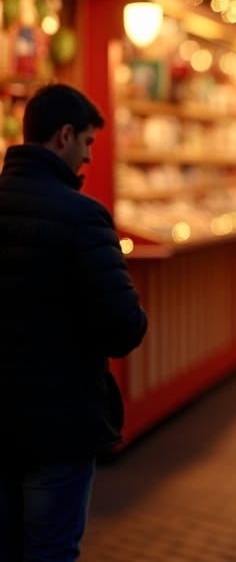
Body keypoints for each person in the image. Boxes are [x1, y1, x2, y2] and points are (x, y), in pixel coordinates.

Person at [0, 83, 148, 561]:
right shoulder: (83, 217)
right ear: (64, 136)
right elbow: (125, 328)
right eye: (87, 142)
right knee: (51, 551)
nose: (87, 157)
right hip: (59, 423)